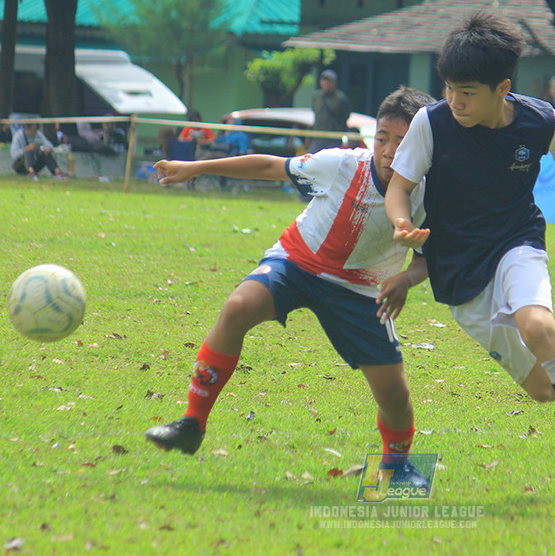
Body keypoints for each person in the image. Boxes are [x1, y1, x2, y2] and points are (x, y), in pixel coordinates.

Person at [385, 13, 555, 497]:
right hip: (459, 273)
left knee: (537, 324)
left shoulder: (538, 120)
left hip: (517, 243)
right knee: (540, 389)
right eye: (449, 88)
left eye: (468, 91)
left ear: (503, 88)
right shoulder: (431, 124)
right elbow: (400, 186)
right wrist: (401, 223)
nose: (455, 101)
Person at [145, 87, 434, 485]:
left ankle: (396, 468)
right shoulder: (342, 164)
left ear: (420, 146)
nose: (387, 151)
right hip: (297, 261)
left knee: (395, 395)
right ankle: (191, 424)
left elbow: (431, 257)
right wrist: (198, 167)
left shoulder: (430, 193)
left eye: (401, 143)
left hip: (362, 290)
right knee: (238, 307)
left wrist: (405, 278)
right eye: (382, 137)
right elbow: (270, 167)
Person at [307, 69, 352, 153]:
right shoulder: (316, 96)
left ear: (335, 83)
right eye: (324, 80)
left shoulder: (341, 98)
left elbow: (346, 116)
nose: (326, 83)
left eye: (329, 81)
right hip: (317, 138)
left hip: (333, 139)